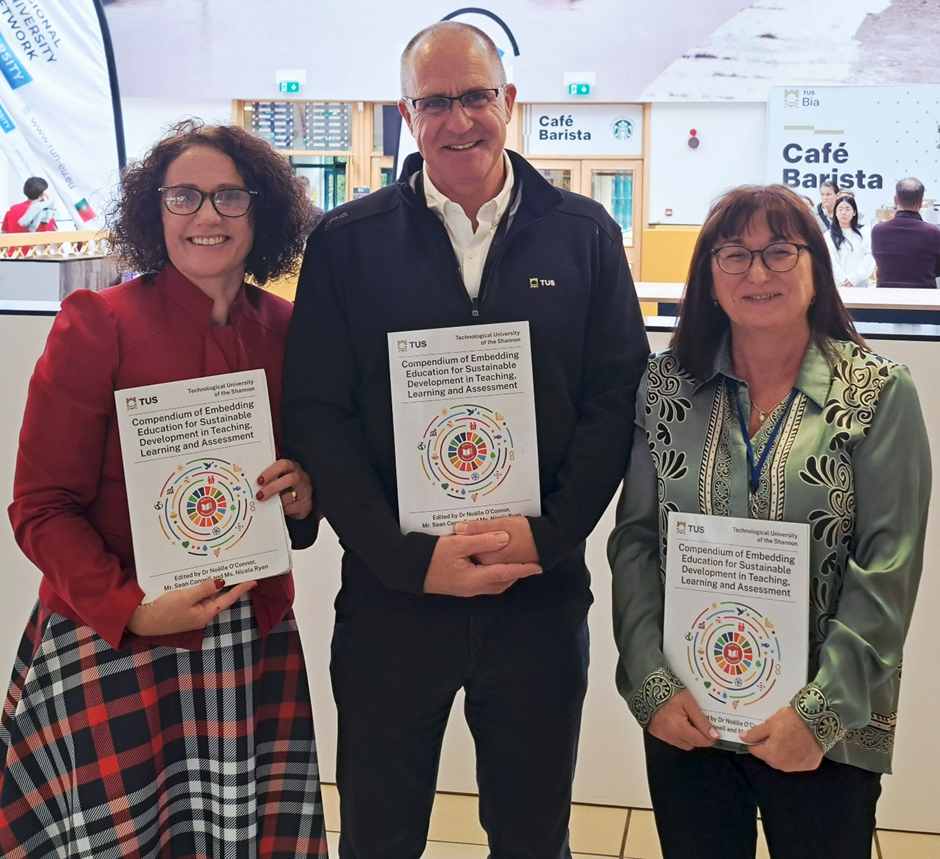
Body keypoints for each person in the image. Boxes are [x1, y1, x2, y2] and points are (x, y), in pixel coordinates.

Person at [283, 20, 649, 859]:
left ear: (508, 101)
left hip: (536, 599)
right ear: (407, 116)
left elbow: (613, 399)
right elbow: (319, 414)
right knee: (378, 835)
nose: (459, 120)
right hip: (392, 601)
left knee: (532, 837)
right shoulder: (344, 243)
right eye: (435, 102)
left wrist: (548, 535)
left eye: (476, 96)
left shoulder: (585, 233)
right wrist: (405, 557)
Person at [1, 121, 328, 859]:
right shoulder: (98, 325)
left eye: (230, 196)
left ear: (262, 212)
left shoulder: (289, 330)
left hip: (250, 635)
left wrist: (304, 494)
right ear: (155, 211)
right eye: (183, 196)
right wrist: (133, 610)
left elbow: (299, 494)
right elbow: (40, 508)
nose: (207, 215)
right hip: (114, 633)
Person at [608, 184, 931, 859]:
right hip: (689, 714)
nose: (757, 272)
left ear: (816, 266)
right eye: (734, 254)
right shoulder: (664, 387)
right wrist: (650, 685)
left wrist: (819, 713)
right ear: (709, 278)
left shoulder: (878, 392)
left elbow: (888, 565)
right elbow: (635, 541)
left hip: (825, 729)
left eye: (780, 251)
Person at [871, 177, 940, 288]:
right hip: (924, 295)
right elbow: (937, 269)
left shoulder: (878, 231)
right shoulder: (933, 233)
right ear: (920, 203)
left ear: (895, 200)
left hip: (886, 295)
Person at [824, 194, 874, 287]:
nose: (843, 213)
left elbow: (870, 256)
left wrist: (855, 278)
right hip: (839, 286)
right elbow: (831, 261)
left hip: (862, 286)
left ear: (854, 212)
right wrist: (844, 282)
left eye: (847, 209)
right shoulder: (828, 236)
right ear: (835, 212)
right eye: (840, 209)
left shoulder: (866, 231)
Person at [2, 177, 57, 257]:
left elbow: (4, 234)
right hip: (38, 257)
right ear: (42, 194)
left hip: (13, 256)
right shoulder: (45, 212)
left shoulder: (13, 209)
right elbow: (50, 237)